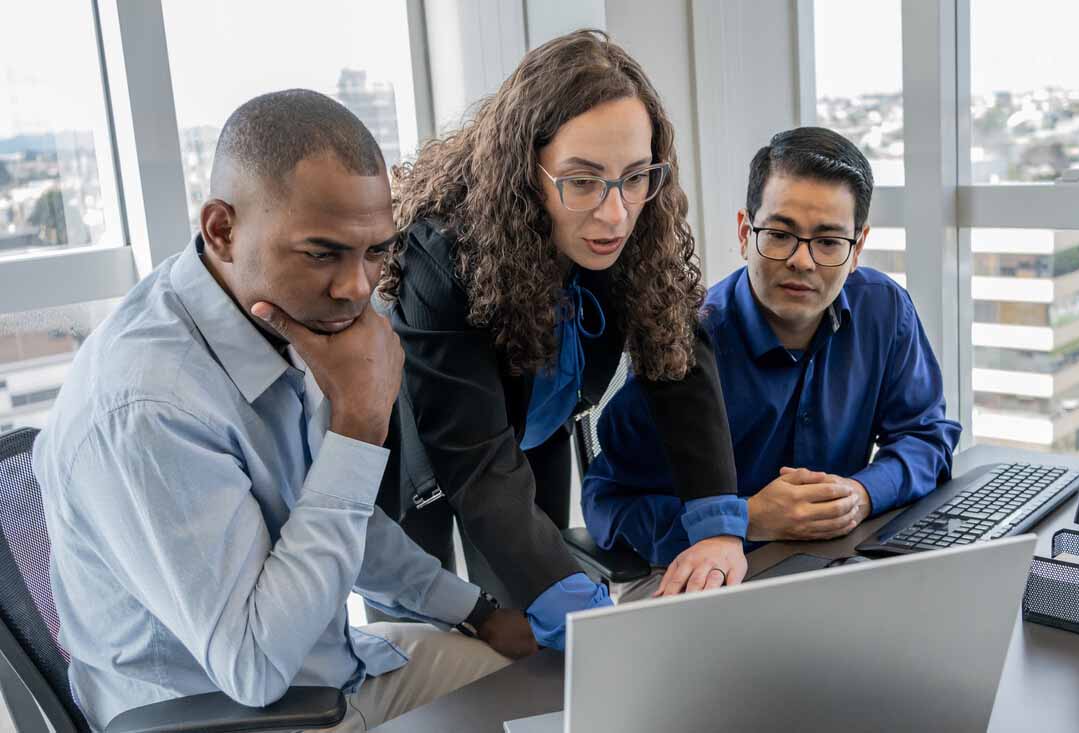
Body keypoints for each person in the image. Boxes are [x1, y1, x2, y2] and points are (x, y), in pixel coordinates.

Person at [33, 90, 535, 732]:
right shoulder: (149, 406)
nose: (356, 289)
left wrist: (479, 611)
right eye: (323, 252)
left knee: (545, 692)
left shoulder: (275, 313)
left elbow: (337, 518)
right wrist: (358, 429)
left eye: (374, 251)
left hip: (337, 674)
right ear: (222, 230)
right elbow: (256, 667)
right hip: (237, 714)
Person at [375, 30, 745, 651]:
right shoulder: (439, 255)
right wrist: (583, 611)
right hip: (429, 448)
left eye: (635, 177)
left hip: (533, 424)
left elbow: (679, 364)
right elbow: (475, 460)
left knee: (535, 617)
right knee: (422, 633)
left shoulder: (635, 220)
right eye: (581, 181)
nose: (615, 215)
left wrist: (716, 526)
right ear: (525, 172)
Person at [582, 126, 962, 600]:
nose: (802, 262)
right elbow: (606, 503)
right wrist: (747, 518)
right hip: (712, 590)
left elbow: (927, 436)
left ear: (858, 247)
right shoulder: (682, 342)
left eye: (828, 242)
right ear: (745, 232)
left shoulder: (884, 310)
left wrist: (862, 495)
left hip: (838, 571)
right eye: (779, 235)